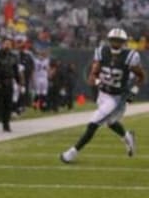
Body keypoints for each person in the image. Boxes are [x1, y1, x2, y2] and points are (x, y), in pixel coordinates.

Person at [60, 28, 144, 163]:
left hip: (116, 98)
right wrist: (94, 78)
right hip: (103, 93)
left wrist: (133, 92)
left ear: (124, 42)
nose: (116, 44)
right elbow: (94, 73)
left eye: (119, 41)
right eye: (113, 40)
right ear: (109, 41)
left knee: (93, 124)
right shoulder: (101, 52)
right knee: (110, 123)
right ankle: (127, 136)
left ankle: (71, 153)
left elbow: (141, 76)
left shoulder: (130, 56)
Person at [0, 38, 22, 132]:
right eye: (6, 43)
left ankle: (6, 124)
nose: (7, 45)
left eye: (9, 44)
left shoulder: (14, 56)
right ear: (2, 44)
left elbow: (16, 70)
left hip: (9, 82)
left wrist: (19, 82)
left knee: (8, 104)